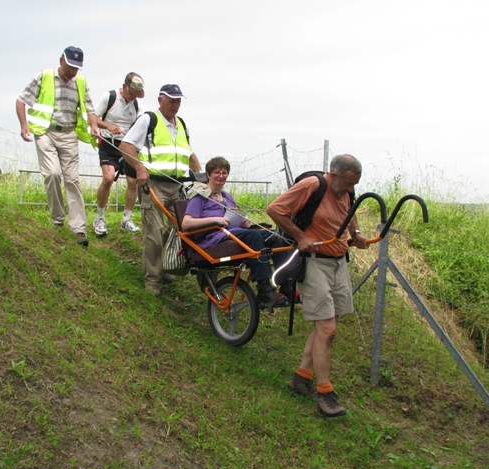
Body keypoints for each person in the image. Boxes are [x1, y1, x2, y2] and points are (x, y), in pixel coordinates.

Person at [266, 154, 369, 417]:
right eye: (346, 184)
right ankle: (325, 394)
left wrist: (355, 235)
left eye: (353, 185)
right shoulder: (313, 185)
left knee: (328, 324)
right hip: (313, 263)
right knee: (328, 328)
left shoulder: (345, 190)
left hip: (337, 262)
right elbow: (275, 209)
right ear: (333, 175)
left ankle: (301, 377)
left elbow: (349, 212)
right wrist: (300, 236)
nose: (350, 190)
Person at [119, 84, 201, 296]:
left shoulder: (181, 124)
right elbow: (126, 145)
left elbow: (189, 153)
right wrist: (139, 168)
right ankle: (153, 280)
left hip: (178, 187)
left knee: (179, 230)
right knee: (154, 233)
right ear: (160, 100)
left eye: (178, 101)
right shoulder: (149, 120)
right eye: (171, 101)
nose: (175, 105)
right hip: (153, 185)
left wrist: (201, 177)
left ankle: (165, 266)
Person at [15, 46, 100, 247]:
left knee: (72, 180)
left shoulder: (80, 82)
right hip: (45, 132)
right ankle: (57, 220)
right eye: (70, 66)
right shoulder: (44, 77)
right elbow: (21, 101)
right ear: (61, 60)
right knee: (52, 174)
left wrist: (94, 126)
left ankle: (79, 229)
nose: (72, 72)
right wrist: (24, 125)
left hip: (69, 134)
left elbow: (90, 109)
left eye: (76, 68)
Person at [182, 156, 289, 309]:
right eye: (217, 172)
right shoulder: (200, 197)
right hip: (213, 237)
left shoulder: (227, 197)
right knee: (253, 236)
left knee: (274, 236)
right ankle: (265, 289)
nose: (221, 176)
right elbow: (186, 223)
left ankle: (286, 285)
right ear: (208, 175)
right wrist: (214, 220)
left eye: (224, 173)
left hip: (234, 231)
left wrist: (244, 222)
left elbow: (234, 218)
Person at [92, 73, 145, 237]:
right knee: (108, 178)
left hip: (128, 145)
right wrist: (108, 127)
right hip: (108, 142)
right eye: (132, 93)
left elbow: (142, 122)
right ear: (125, 86)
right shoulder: (110, 97)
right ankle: (99, 218)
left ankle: (126, 219)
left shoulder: (137, 104)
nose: (134, 97)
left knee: (133, 181)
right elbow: (93, 118)